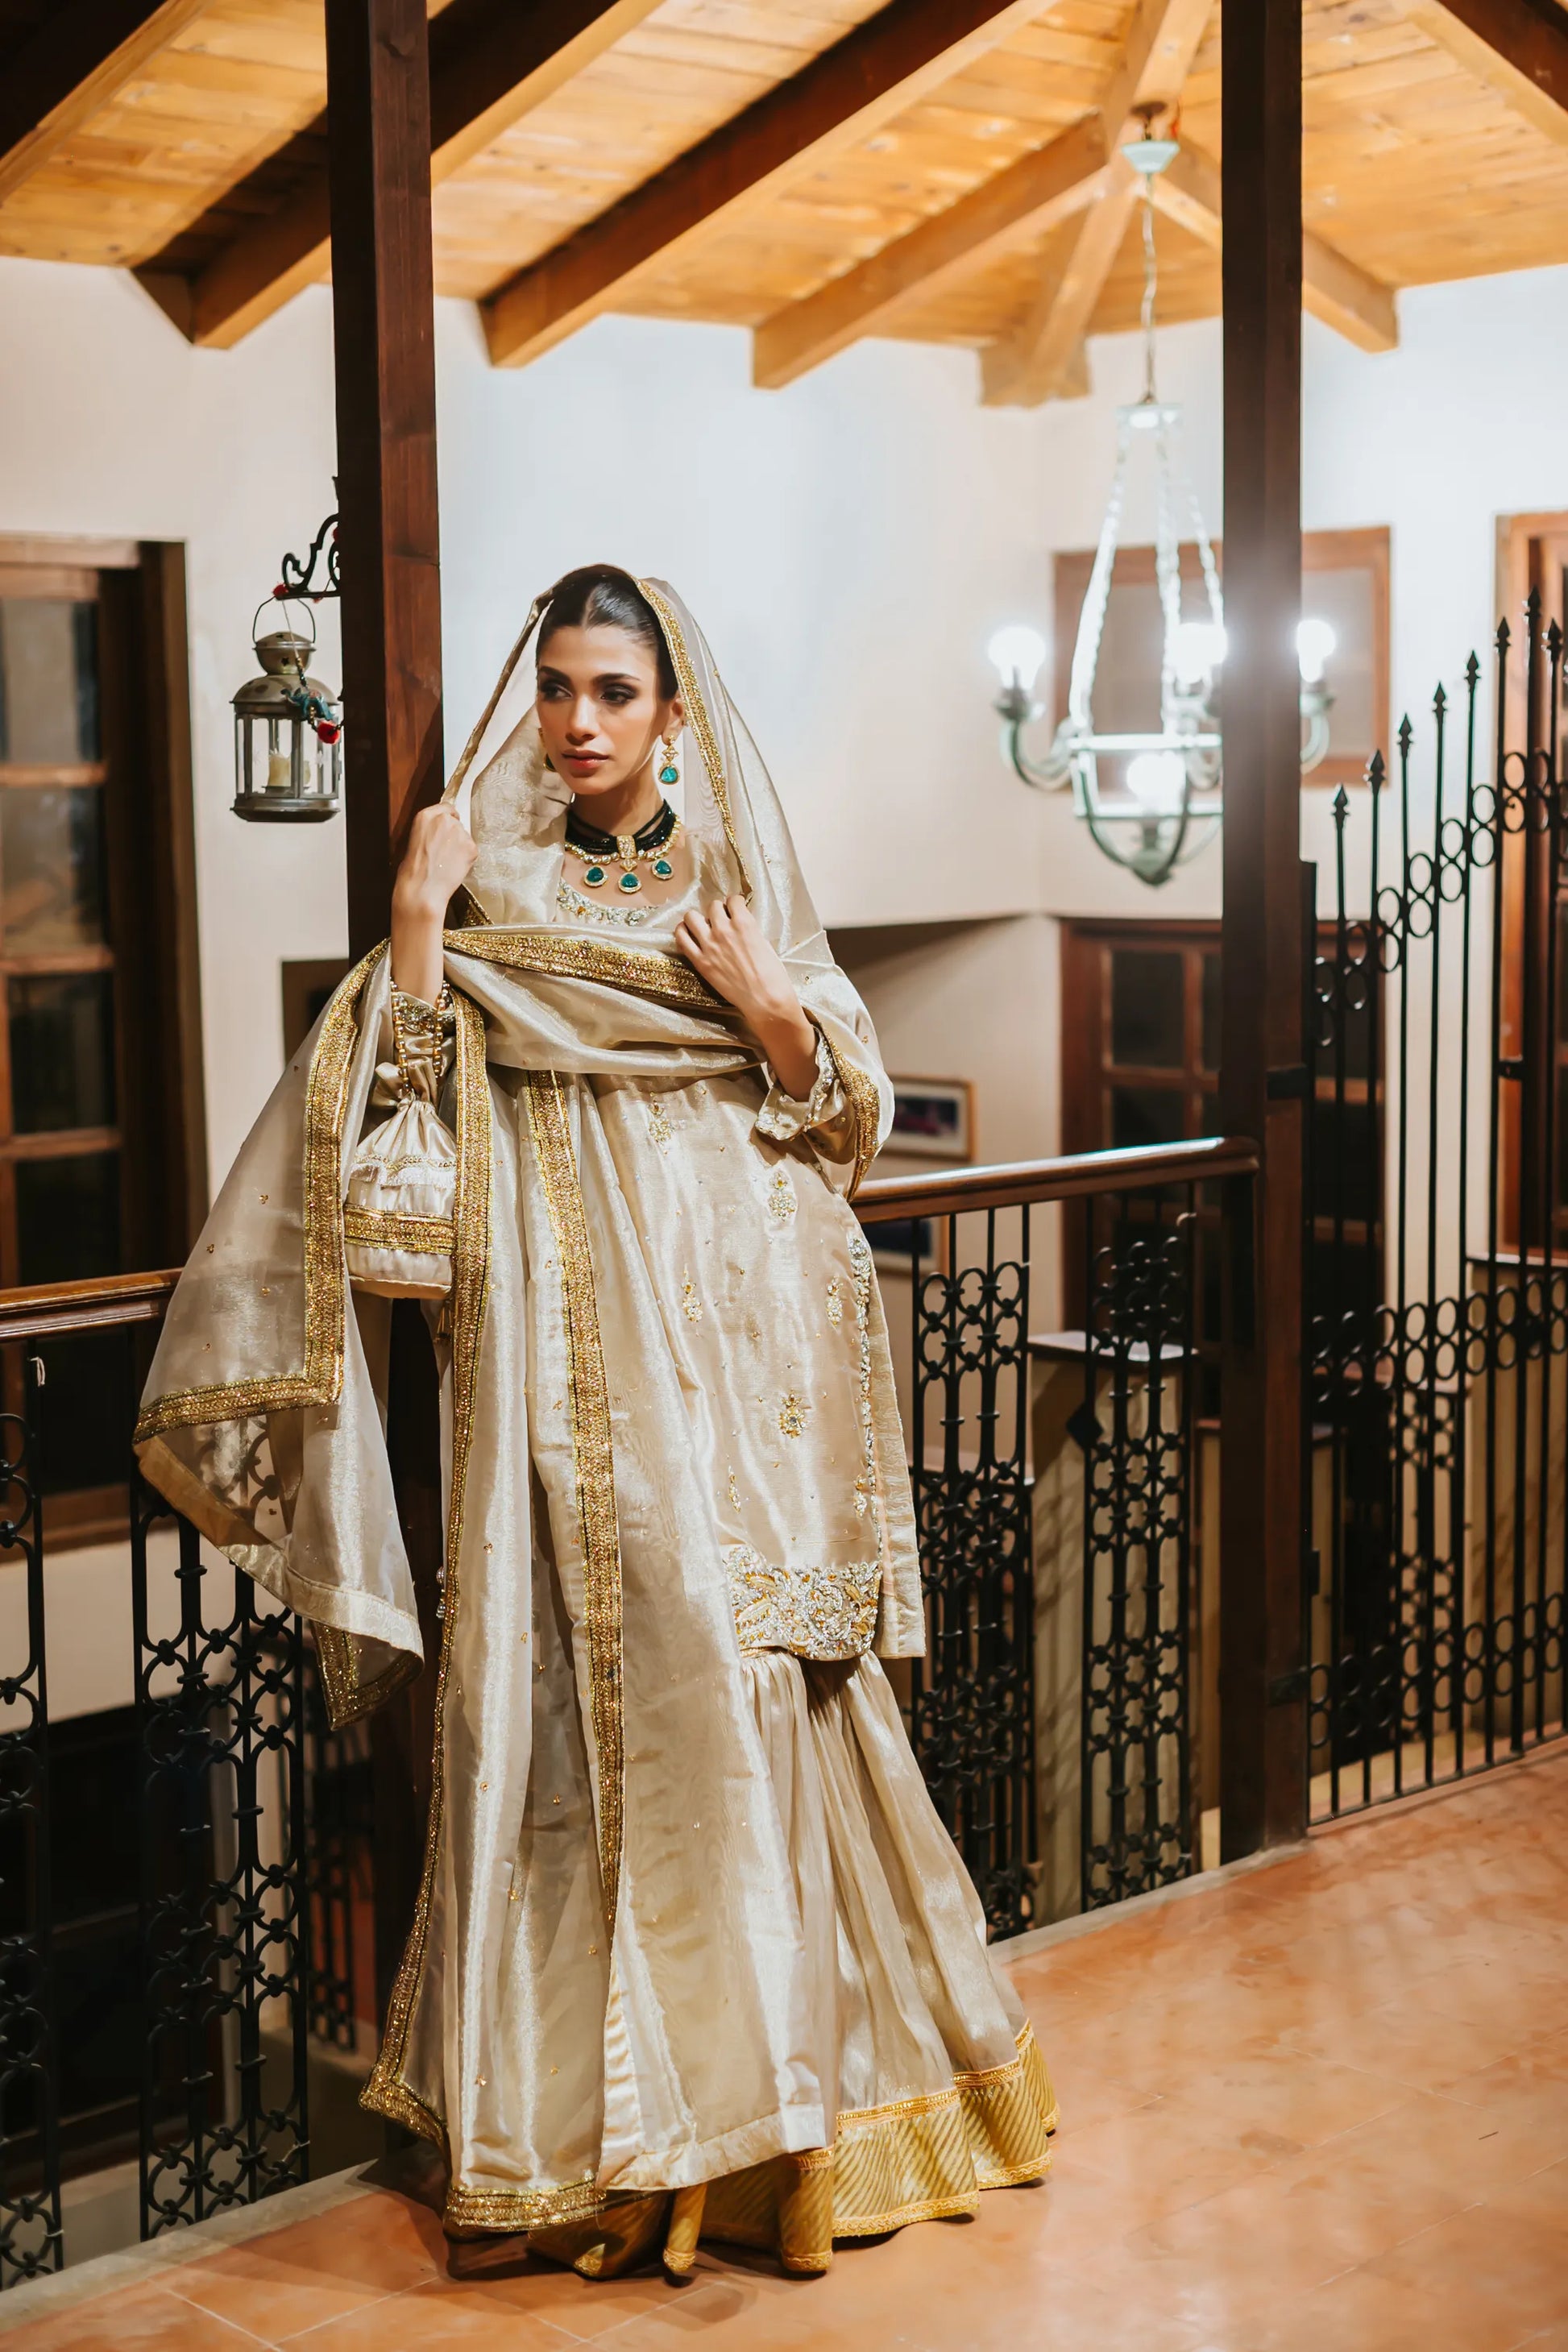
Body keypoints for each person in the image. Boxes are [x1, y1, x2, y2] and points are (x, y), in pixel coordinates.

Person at [135, 567, 1055, 2279]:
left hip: (742, 1384)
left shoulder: (734, 880)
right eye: (557, 685)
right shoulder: (485, 883)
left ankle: (774, 2129)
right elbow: (400, 1173)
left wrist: (770, 1015)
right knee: (560, 1709)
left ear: (671, 711)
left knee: (748, 1694)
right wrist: (419, 930)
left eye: (614, 690)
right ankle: (583, 2141)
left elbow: (843, 1115)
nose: (577, 720)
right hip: (553, 1364)